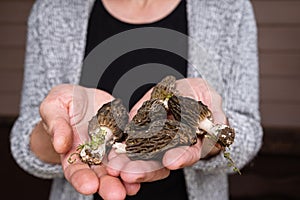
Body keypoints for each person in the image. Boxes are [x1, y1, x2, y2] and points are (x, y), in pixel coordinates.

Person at [10, 0, 263, 200]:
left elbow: (249, 133)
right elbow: (24, 139)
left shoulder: (231, 9)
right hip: (88, 186)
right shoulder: (52, 10)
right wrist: (58, 135)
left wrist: (210, 137)